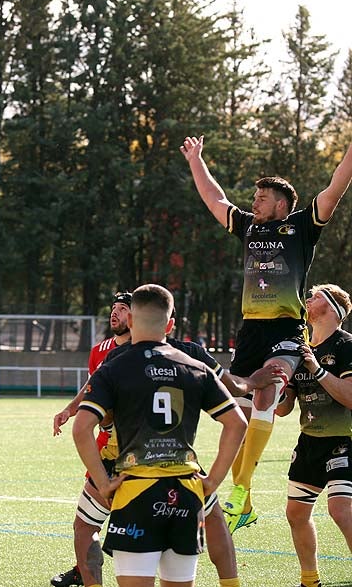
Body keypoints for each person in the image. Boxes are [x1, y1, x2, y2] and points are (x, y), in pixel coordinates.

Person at [181, 134, 352, 531]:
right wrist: (196, 160)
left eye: (261, 198)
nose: (253, 202)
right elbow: (215, 200)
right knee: (238, 417)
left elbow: (336, 186)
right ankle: (247, 501)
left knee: (268, 388)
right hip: (249, 333)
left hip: (285, 328)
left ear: (281, 204)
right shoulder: (249, 229)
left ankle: (239, 489)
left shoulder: (302, 227)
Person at [72, 284, 247, 587]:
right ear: (170, 325)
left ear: (131, 321)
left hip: (134, 490)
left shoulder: (113, 367)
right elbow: (238, 423)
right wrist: (212, 481)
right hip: (186, 491)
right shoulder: (195, 367)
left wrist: (103, 482)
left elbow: (81, 428)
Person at [51, 292, 133, 587]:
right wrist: (70, 410)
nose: (115, 314)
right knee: (88, 524)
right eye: (113, 309)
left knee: (123, 532)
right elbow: (91, 387)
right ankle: (83, 571)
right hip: (105, 449)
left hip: (131, 452)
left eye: (123, 309)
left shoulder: (142, 350)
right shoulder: (102, 351)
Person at [277, 284, 352, 587]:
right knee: (295, 513)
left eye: (315, 296)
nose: (307, 300)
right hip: (309, 441)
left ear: (333, 309)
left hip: (344, 440)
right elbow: (284, 409)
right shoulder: (300, 348)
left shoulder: (346, 345)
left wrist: (317, 369)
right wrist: (275, 387)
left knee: (340, 509)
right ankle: (310, 581)